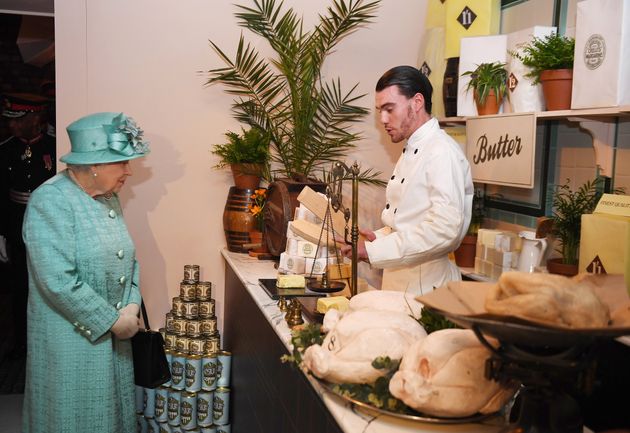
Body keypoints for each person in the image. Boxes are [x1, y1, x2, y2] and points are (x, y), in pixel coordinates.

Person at [22, 112, 150, 433]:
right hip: (71, 344)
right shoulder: (49, 200)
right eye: (122, 163)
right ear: (95, 165)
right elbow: (57, 281)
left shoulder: (109, 198)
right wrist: (112, 321)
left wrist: (131, 305)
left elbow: (128, 257)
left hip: (115, 342)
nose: (129, 171)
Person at [341, 66, 474, 294]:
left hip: (426, 289)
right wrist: (380, 237)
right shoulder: (413, 147)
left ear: (417, 102)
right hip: (400, 282)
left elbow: (444, 230)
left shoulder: (441, 152)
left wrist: (373, 252)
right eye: (379, 110)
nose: (382, 119)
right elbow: (411, 219)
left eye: (389, 109)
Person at [0, 93, 56, 358]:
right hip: (16, 225)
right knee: (20, 285)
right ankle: (22, 342)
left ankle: (48, 339)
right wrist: (1, 232)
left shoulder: (54, 147)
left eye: (17, 119)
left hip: (50, 226)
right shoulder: (5, 149)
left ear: (33, 119)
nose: (11, 125)